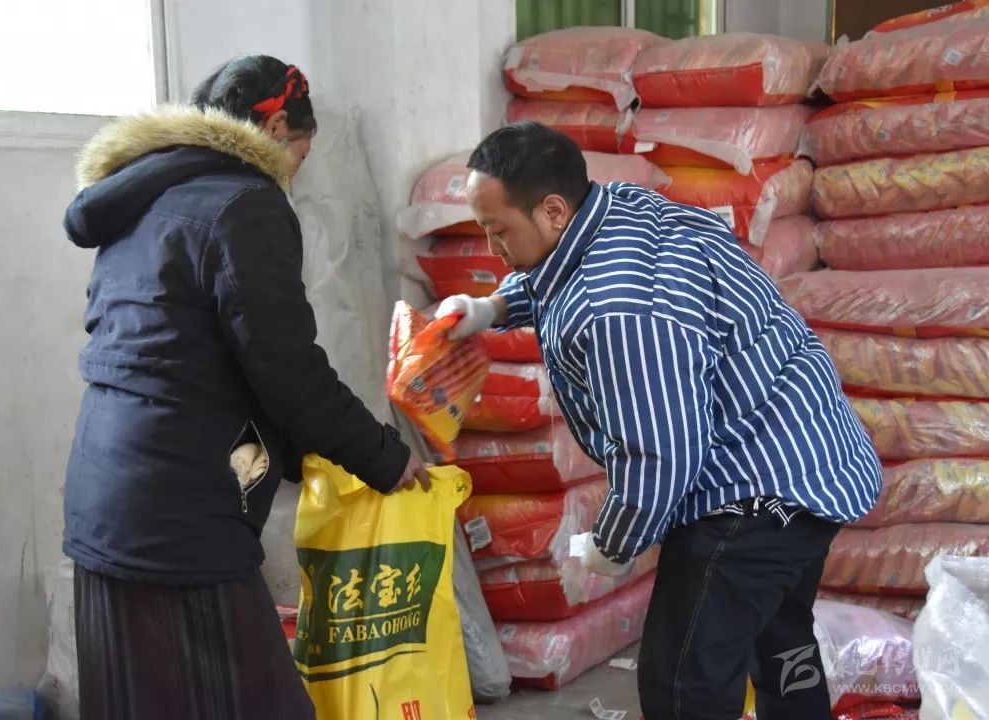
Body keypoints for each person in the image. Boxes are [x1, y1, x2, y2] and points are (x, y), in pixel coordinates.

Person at [438, 121, 882, 720]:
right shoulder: (617, 207)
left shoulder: (619, 311)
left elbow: (660, 455)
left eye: (498, 231)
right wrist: (493, 306)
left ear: (552, 210)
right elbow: (554, 269)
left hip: (752, 496)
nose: (493, 248)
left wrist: (611, 543)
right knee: (781, 642)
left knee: (681, 684)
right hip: (814, 459)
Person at [62, 55, 427, 719]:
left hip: (104, 494)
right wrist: (384, 455)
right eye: (300, 157)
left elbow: (195, 361)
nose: (294, 175)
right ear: (277, 125)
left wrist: (299, 454)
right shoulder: (246, 201)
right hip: (180, 514)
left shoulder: (143, 200)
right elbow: (286, 366)